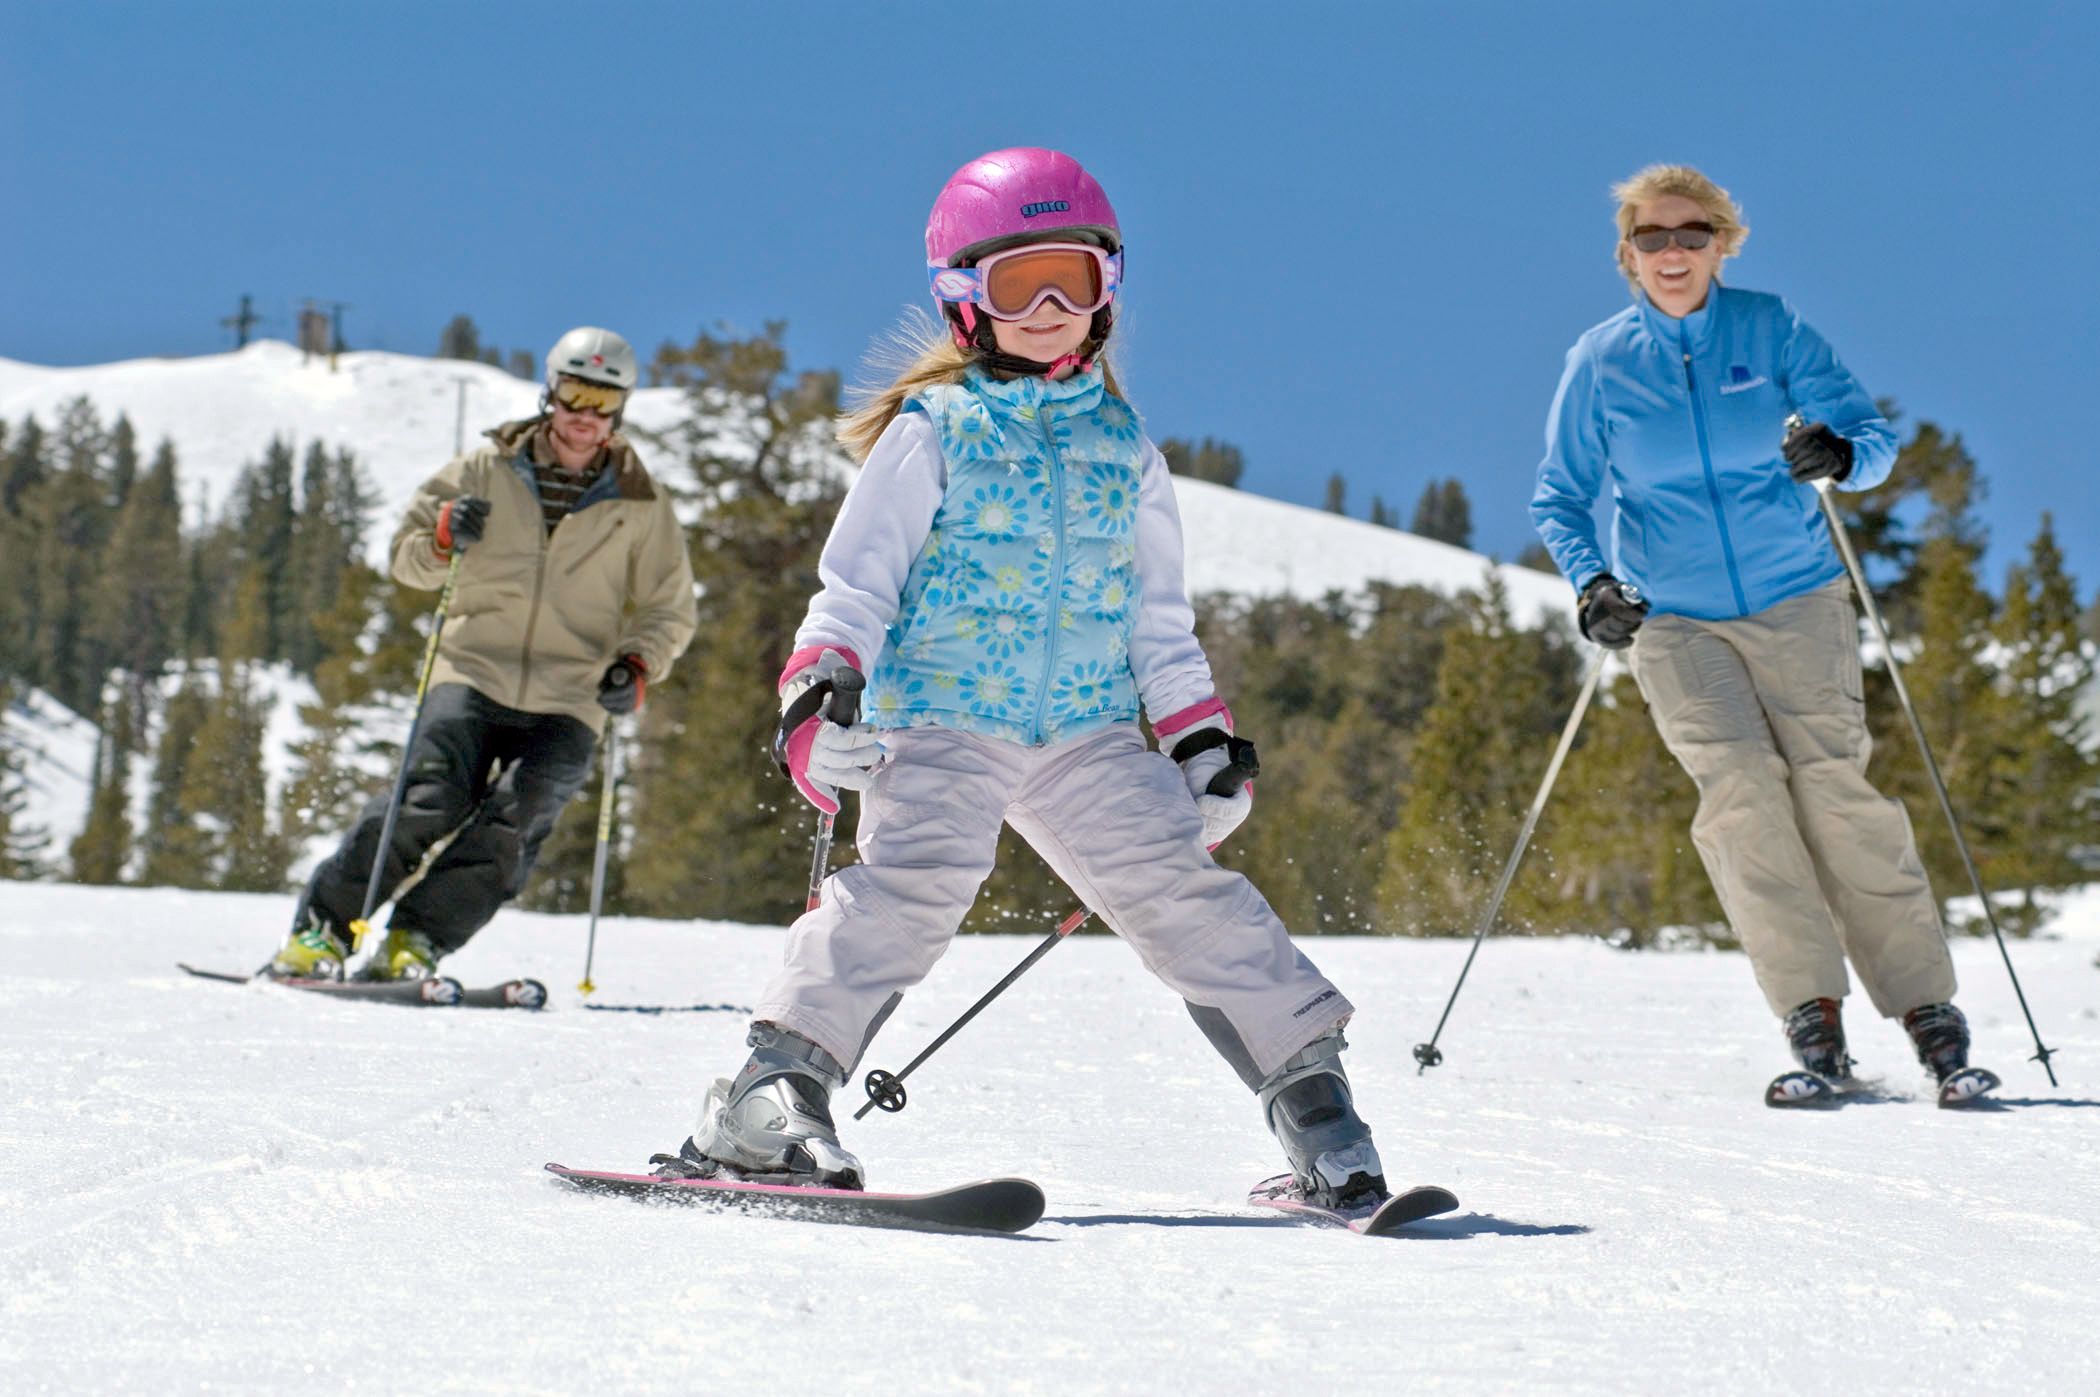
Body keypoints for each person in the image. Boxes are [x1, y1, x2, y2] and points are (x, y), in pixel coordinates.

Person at [652, 148, 1388, 1209]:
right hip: (944, 714)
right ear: (964, 301)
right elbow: (855, 583)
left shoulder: (1125, 448)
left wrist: (1200, 739)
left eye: (1073, 280)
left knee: (1190, 898)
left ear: (1108, 291)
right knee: (913, 886)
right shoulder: (931, 432)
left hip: (1087, 731)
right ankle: (772, 1091)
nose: (1048, 306)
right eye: (1016, 284)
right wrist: (819, 694)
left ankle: (1318, 1108)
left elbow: (1158, 619)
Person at [1529, 164, 1983, 1092]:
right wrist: (1593, 586)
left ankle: (1929, 1010)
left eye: (1691, 234)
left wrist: (1844, 454)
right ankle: (1811, 1016)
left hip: (1798, 594)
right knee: (1741, 791)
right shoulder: (1600, 362)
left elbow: (1870, 433)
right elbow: (1561, 496)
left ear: (1721, 244)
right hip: (1675, 617)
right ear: (1627, 255)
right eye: (1651, 238)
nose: (1672, 252)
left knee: (1832, 789)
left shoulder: (1770, 327)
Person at [271, 327, 697, 981]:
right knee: (427, 799)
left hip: (572, 689)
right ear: (549, 393)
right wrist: (442, 537)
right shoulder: (483, 470)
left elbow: (670, 606)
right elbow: (406, 560)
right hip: (471, 667)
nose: (585, 415)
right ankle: (323, 933)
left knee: (517, 821)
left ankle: (415, 942)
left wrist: (637, 663)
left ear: (621, 408)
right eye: (574, 393)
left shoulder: (640, 501)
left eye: (602, 400)